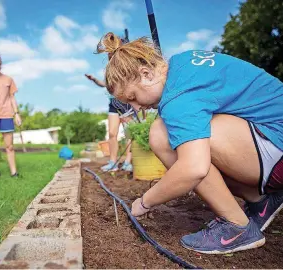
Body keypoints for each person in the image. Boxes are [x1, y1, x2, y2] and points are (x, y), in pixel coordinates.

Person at [97, 32, 283, 254]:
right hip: (272, 139)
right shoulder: (182, 63)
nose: (136, 108)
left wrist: (144, 202)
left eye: (133, 97)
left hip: (277, 146)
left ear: (145, 74)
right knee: (170, 131)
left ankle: (237, 227)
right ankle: (260, 200)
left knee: (164, 136)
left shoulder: (178, 97)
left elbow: (194, 169)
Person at [85, 73, 134, 172]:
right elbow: (104, 84)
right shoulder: (110, 70)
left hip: (126, 103)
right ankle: (113, 163)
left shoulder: (123, 66)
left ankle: (128, 162)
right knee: (112, 133)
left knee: (129, 134)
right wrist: (94, 79)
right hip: (113, 104)